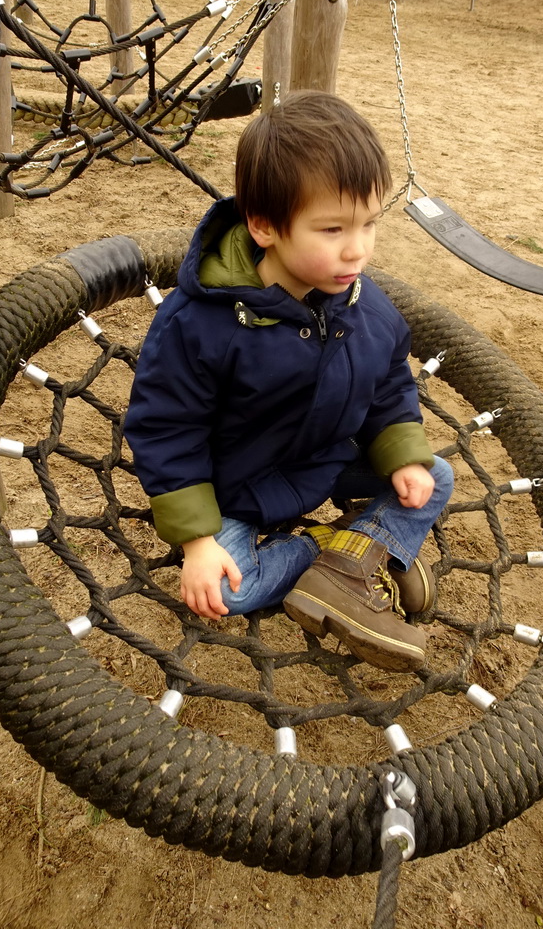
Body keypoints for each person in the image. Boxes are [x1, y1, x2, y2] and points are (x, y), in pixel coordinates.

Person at [124, 90, 453, 672]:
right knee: (227, 592)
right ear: (265, 225)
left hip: (321, 461)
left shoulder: (365, 307)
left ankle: (362, 551)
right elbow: (165, 429)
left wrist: (400, 454)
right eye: (331, 229)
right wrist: (198, 540)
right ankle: (336, 552)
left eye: (368, 224)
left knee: (435, 475)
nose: (357, 249)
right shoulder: (199, 324)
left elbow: (388, 390)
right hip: (233, 488)